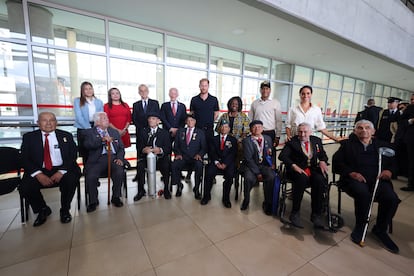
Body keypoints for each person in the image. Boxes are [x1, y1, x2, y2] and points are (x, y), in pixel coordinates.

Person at [333, 120, 400, 254]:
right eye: (360, 128)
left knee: (391, 198)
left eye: (367, 128)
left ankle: (380, 229)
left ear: (373, 131)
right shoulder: (347, 145)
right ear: (355, 131)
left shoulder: (382, 146)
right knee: (362, 194)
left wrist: (389, 172)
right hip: (354, 180)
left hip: (377, 181)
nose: (364, 130)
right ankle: (360, 225)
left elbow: (395, 164)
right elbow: (337, 164)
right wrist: (351, 173)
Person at [20, 112, 81, 227]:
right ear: (38, 123)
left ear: (56, 123)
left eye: (52, 120)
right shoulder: (29, 137)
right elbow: (24, 158)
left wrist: (61, 171)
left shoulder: (66, 135)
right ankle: (42, 209)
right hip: (39, 169)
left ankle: (65, 209)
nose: (48, 123)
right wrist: (38, 174)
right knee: (25, 186)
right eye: (44, 120)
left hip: (62, 167)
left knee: (71, 179)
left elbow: (72, 155)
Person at [278, 122, 329, 228]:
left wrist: (323, 161)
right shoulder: (292, 142)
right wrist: (293, 165)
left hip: (313, 170)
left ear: (310, 132)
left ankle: (316, 215)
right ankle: (295, 213)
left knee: (319, 180)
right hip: (296, 171)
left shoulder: (316, 141)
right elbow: (282, 156)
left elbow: (322, 154)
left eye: (305, 132)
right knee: (300, 179)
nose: (302, 134)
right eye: (300, 132)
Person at [83, 112, 126, 213]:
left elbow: (121, 147)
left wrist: (120, 158)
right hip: (97, 160)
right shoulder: (89, 132)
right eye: (104, 119)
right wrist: (102, 140)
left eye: (107, 118)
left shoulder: (113, 132)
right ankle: (93, 201)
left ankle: (116, 197)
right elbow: (88, 145)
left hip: (114, 158)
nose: (107, 120)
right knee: (91, 175)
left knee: (119, 171)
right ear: (97, 122)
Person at [133, 113, 172, 201]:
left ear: (158, 121)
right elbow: (138, 147)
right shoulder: (142, 131)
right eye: (149, 119)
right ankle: (141, 190)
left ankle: (166, 189)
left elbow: (168, 148)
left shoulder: (164, 133)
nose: (150, 120)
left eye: (153, 119)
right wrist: (144, 150)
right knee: (140, 166)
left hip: (160, 158)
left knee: (166, 165)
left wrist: (160, 150)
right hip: (146, 158)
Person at [241, 120, 275, 213]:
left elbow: (272, 153)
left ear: (262, 128)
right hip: (251, 166)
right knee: (248, 178)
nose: (257, 129)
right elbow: (248, 159)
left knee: (271, 177)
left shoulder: (267, 138)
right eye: (254, 127)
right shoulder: (247, 141)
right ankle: (246, 200)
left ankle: (268, 203)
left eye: (259, 127)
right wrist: (258, 173)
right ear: (251, 129)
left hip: (264, 165)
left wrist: (273, 163)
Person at [202, 119, 238, 207]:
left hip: (228, 163)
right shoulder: (213, 139)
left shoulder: (233, 140)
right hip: (215, 162)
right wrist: (217, 162)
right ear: (219, 128)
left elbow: (233, 153)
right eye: (222, 126)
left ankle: (226, 198)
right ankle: (206, 196)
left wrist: (225, 163)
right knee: (209, 172)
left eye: (226, 127)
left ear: (229, 129)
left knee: (230, 175)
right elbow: (211, 152)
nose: (223, 128)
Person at [171, 114, 207, 199]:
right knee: (174, 165)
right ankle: (179, 186)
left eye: (192, 120)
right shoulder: (180, 131)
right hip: (183, 157)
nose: (190, 122)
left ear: (195, 122)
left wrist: (199, 155)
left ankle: (197, 188)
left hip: (195, 157)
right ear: (186, 122)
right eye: (188, 120)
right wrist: (178, 154)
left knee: (199, 165)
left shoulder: (200, 133)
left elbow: (204, 147)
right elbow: (175, 146)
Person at [132, 84, 160, 181]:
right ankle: (139, 174)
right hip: (140, 131)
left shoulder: (155, 103)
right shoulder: (136, 104)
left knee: (151, 149)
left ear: (148, 92)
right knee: (140, 151)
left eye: (145, 91)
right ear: (139, 92)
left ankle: (152, 169)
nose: (143, 92)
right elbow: (134, 118)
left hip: (152, 130)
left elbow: (157, 116)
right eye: (141, 91)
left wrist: (150, 127)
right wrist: (143, 129)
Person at [73, 81, 104, 164]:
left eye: (90, 88)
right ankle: (87, 173)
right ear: (82, 91)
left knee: (96, 151)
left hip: (95, 127)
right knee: (85, 153)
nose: (88, 90)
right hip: (83, 128)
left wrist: (95, 127)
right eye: (86, 89)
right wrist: (89, 129)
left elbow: (100, 115)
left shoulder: (99, 102)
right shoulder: (77, 101)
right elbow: (79, 117)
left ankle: (95, 173)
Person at [249, 81, 283, 147]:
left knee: (269, 154)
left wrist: (278, 136)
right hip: (256, 132)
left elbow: (279, 121)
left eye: (267, 89)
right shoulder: (255, 103)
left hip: (270, 133)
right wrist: (251, 132)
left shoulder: (275, 103)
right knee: (256, 153)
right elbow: (250, 119)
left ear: (270, 90)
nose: (265, 91)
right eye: (263, 89)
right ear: (260, 90)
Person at [190, 78, 220, 142]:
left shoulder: (214, 99)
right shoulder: (194, 99)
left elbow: (216, 113)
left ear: (208, 86)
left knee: (209, 148)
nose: (203, 87)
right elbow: (192, 114)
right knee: (197, 148)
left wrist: (209, 120)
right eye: (202, 85)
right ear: (199, 86)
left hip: (209, 129)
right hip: (197, 129)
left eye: (205, 85)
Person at [399, 95, 414, 191]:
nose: (412, 101)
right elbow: (401, 121)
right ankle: (411, 184)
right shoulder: (410, 108)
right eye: (411, 99)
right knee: (412, 161)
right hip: (412, 139)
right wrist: (410, 121)